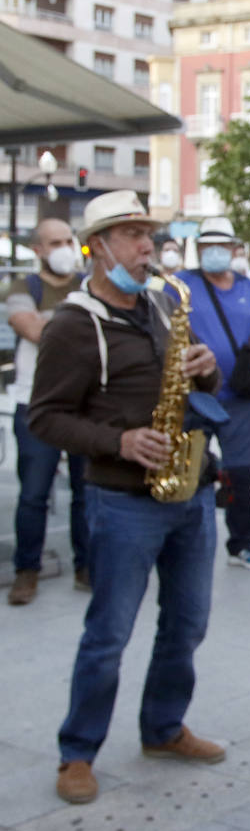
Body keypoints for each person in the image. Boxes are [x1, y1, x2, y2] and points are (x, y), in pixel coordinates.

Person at [28, 191, 227, 804]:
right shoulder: (72, 323)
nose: (149, 247)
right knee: (108, 635)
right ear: (99, 247)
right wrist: (119, 440)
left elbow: (200, 386)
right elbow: (45, 418)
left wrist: (206, 367)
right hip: (122, 502)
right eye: (134, 235)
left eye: (150, 235)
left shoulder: (164, 305)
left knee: (187, 625)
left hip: (188, 494)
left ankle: (163, 728)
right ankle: (77, 753)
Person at [176, 217, 250, 571]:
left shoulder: (247, 287)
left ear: (234, 249)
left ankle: (242, 544)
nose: (214, 252)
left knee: (243, 474)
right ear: (198, 249)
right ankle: (180, 545)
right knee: (188, 471)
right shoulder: (180, 285)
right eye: (207, 246)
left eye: (221, 246)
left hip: (239, 399)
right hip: (194, 396)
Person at [6, 218, 89, 604]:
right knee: (33, 494)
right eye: (54, 242)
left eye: (68, 240)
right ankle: (27, 570)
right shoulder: (24, 287)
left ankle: (86, 567)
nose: (64, 248)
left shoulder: (87, 285)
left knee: (86, 491)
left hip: (85, 405)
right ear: (38, 249)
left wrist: (54, 320)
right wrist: (77, 320)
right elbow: (32, 329)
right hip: (34, 404)